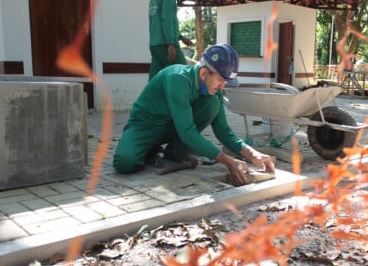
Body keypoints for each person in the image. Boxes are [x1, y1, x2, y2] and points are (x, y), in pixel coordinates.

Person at [113, 44, 275, 186]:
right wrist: (228, 161)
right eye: (220, 79)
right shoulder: (177, 79)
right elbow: (187, 132)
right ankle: (149, 148)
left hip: (175, 126)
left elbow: (223, 131)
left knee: (213, 104)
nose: (222, 86)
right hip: (146, 126)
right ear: (204, 73)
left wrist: (253, 154)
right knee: (124, 163)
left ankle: (174, 152)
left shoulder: (214, 91)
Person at [148, 0, 194, 80]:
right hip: (166, 44)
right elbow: (166, 19)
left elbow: (160, 21)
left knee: (154, 81)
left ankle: (147, 99)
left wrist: (181, 37)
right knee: (184, 75)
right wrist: (171, 44)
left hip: (155, 44)